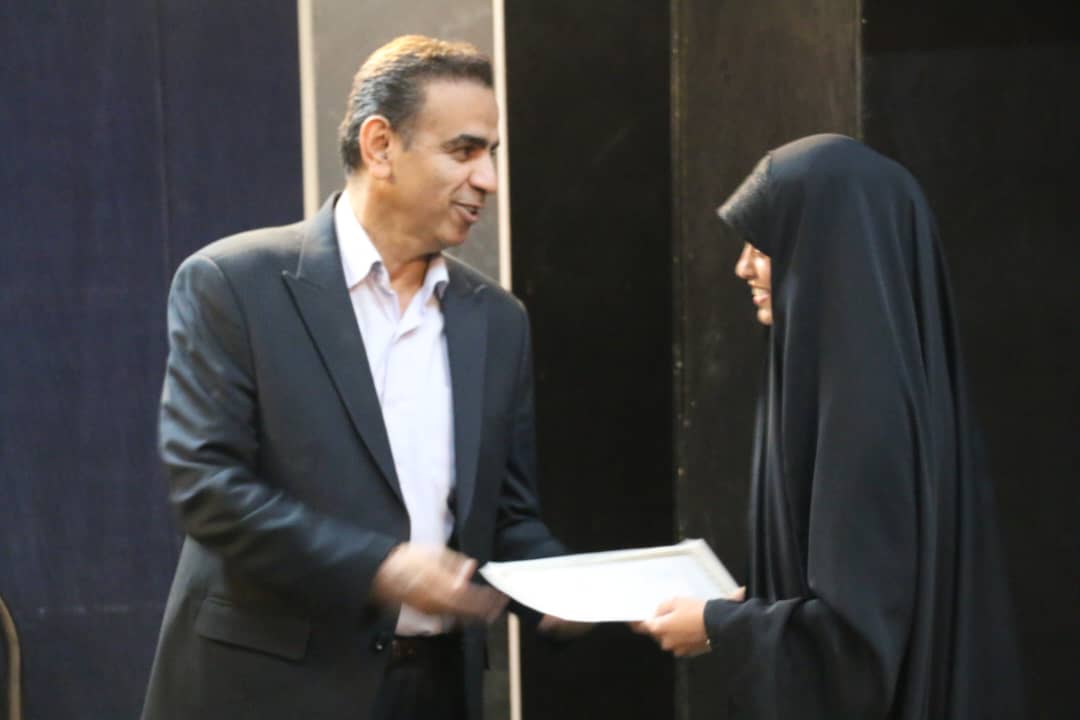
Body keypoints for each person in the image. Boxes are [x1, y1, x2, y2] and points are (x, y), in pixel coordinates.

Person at [141, 35, 572, 720]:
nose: (488, 179)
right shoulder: (232, 284)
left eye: (491, 153)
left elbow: (507, 517)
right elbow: (207, 488)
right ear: (380, 146)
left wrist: (572, 590)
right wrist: (381, 566)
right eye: (464, 151)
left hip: (436, 691)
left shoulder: (498, 320)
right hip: (270, 693)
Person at [635, 135, 1024, 717]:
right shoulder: (868, 383)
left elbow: (858, 645)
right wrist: (749, 609)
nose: (743, 266)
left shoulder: (864, 408)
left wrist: (720, 625)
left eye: (763, 245)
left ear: (829, 248)